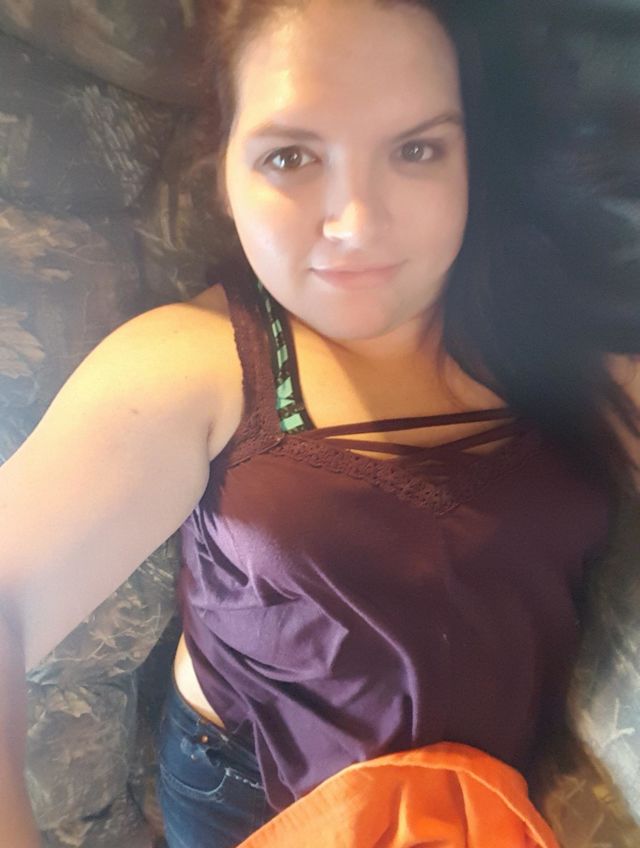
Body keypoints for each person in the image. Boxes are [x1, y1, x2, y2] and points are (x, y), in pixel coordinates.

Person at [1, 0, 638, 846]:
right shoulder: (194, 364)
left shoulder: (556, 336)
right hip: (267, 801)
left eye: (416, 150)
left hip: (487, 803)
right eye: (291, 156)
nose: (357, 223)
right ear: (222, 176)